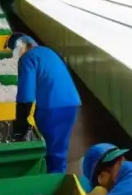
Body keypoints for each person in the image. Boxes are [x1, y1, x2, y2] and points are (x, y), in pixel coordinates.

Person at [7, 33, 81, 173]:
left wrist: (20, 122)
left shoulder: (28, 58)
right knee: (59, 148)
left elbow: (26, 95)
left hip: (52, 108)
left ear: (20, 47)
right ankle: (57, 177)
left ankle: (51, 184)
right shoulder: (48, 51)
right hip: (72, 104)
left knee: (50, 150)